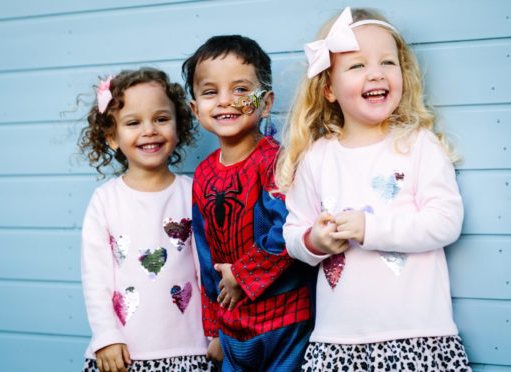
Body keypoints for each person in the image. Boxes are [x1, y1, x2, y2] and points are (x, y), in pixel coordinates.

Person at [276, 7, 471, 371]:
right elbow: (292, 233)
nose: (376, 73)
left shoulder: (417, 145)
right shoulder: (317, 158)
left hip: (416, 336)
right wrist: (314, 242)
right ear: (329, 88)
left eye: (387, 62)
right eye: (358, 65)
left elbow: (445, 221)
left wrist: (371, 230)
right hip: (338, 341)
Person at [182, 35, 316, 371]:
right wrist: (213, 328)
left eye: (241, 90)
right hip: (232, 327)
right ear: (196, 109)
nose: (226, 101)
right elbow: (205, 252)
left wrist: (243, 275)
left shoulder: (276, 162)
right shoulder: (204, 174)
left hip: (284, 319)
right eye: (211, 92)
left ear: (266, 102)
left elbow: (288, 226)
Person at [78, 68, 213, 372]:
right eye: (133, 122)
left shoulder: (194, 192)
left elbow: (207, 269)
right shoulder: (105, 200)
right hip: (123, 355)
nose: (149, 130)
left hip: (189, 349)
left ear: (179, 127)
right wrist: (106, 337)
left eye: (161, 119)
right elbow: (96, 279)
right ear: (111, 136)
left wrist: (217, 331)